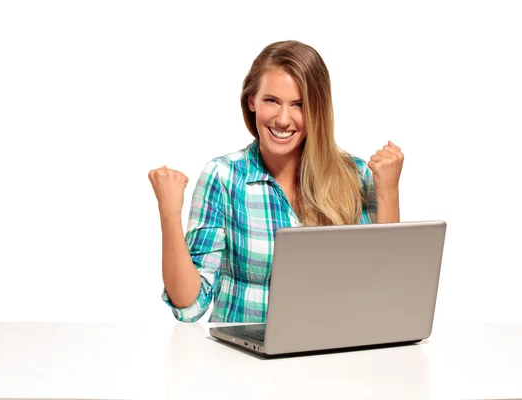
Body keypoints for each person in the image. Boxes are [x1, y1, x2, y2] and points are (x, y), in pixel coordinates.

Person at [148, 40, 404, 323]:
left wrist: (388, 192)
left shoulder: (354, 176)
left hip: (328, 358)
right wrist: (169, 212)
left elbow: (383, 294)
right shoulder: (224, 176)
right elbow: (190, 304)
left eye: (299, 105)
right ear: (251, 101)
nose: (283, 119)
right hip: (241, 361)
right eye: (272, 101)